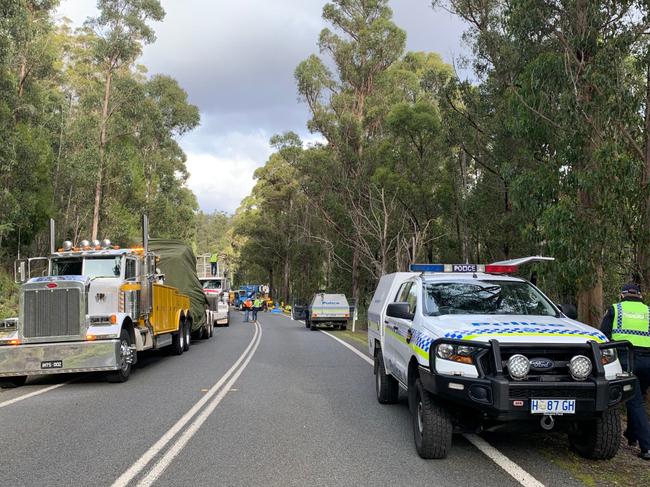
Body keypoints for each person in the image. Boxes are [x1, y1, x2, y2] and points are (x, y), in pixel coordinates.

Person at [601, 283, 650, 460]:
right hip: (648, 361)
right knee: (636, 396)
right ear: (640, 296)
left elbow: (603, 335)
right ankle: (631, 436)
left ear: (621, 295)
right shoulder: (648, 312)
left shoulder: (615, 309)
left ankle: (647, 447)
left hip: (627, 359)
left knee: (634, 401)